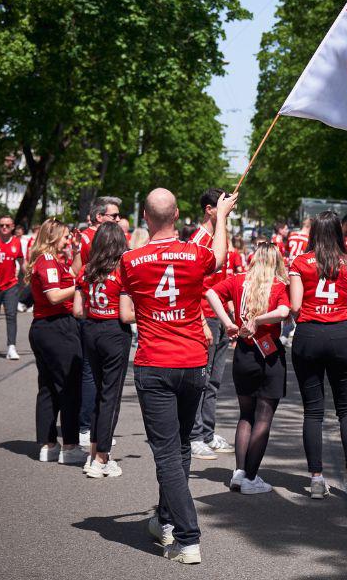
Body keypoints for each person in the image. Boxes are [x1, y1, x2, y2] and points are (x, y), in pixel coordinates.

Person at [119, 187, 235, 564]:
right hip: (191, 363)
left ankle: (187, 537)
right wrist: (221, 218)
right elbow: (218, 257)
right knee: (181, 448)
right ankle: (165, 519)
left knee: (168, 455)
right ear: (176, 214)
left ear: (146, 217)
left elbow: (125, 309)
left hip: (155, 364)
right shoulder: (192, 254)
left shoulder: (130, 260)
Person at [288, 210, 347, 499]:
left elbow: (296, 305)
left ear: (314, 233)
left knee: (313, 410)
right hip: (339, 334)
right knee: (346, 408)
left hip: (308, 335)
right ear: (338, 231)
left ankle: (316, 479)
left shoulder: (300, 262)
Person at [205, 242, 290, 495]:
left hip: (243, 352)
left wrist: (229, 322)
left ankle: (239, 472)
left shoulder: (238, 280)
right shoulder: (278, 285)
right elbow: (284, 311)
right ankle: (250, 477)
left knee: (246, 414)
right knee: (264, 417)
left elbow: (210, 293)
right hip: (269, 355)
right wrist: (260, 320)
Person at [72, 222, 134, 478]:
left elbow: (77, 310)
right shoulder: (122, 270)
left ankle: (93, 454)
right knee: (111, 397)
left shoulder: (87, 269)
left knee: (98, 393)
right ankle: (101, 458)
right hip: (114, 333)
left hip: (91, 329)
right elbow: (124, 314)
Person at [25, 219, 85, 465]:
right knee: (68, 387)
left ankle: (48, 445)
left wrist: (79, 252)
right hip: (56, 327)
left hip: (47, 328)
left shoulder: (52, 261)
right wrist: (82, 284)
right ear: (53, 237)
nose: (68, 240)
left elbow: (70, 275)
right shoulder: (47, 261)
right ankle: (69, 445)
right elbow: (54, 296)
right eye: (65, 236)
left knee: (48, 388)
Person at [186, 188, 234, 461]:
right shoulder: (200, 239)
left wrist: (230, 314)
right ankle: (193, 436)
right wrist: (203, 321)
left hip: (219, 316)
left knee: (214, 381)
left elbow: (220, 283)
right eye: (222, 207)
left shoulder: (219, 235)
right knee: (200, 380)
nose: (228, 213)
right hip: (205, 316)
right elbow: (194, 286)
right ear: (209, 209)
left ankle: (206, 432)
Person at [0, 215, 24, 360]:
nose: (4, 228)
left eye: (7, 225)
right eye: (1, 225)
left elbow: (21, 260)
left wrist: (28, 275)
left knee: (11, 315)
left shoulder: (17, 242)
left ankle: (11, 347)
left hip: (10, 285)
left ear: (13, 227)